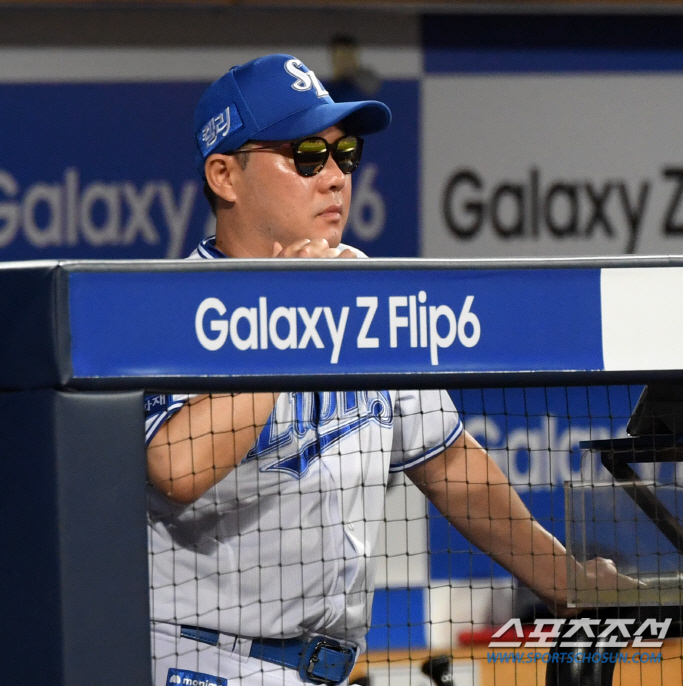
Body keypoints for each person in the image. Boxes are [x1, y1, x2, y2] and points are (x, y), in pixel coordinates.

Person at [145, 54, 623, 686]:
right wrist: (290, 316)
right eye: (307, 155)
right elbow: (178, 467)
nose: (336, 178)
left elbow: (450, 464)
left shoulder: (358, 287)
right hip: (204, 663)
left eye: (346, 156)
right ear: (225, 175)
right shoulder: (164, 303)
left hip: (333, 668)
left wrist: (567, 582)